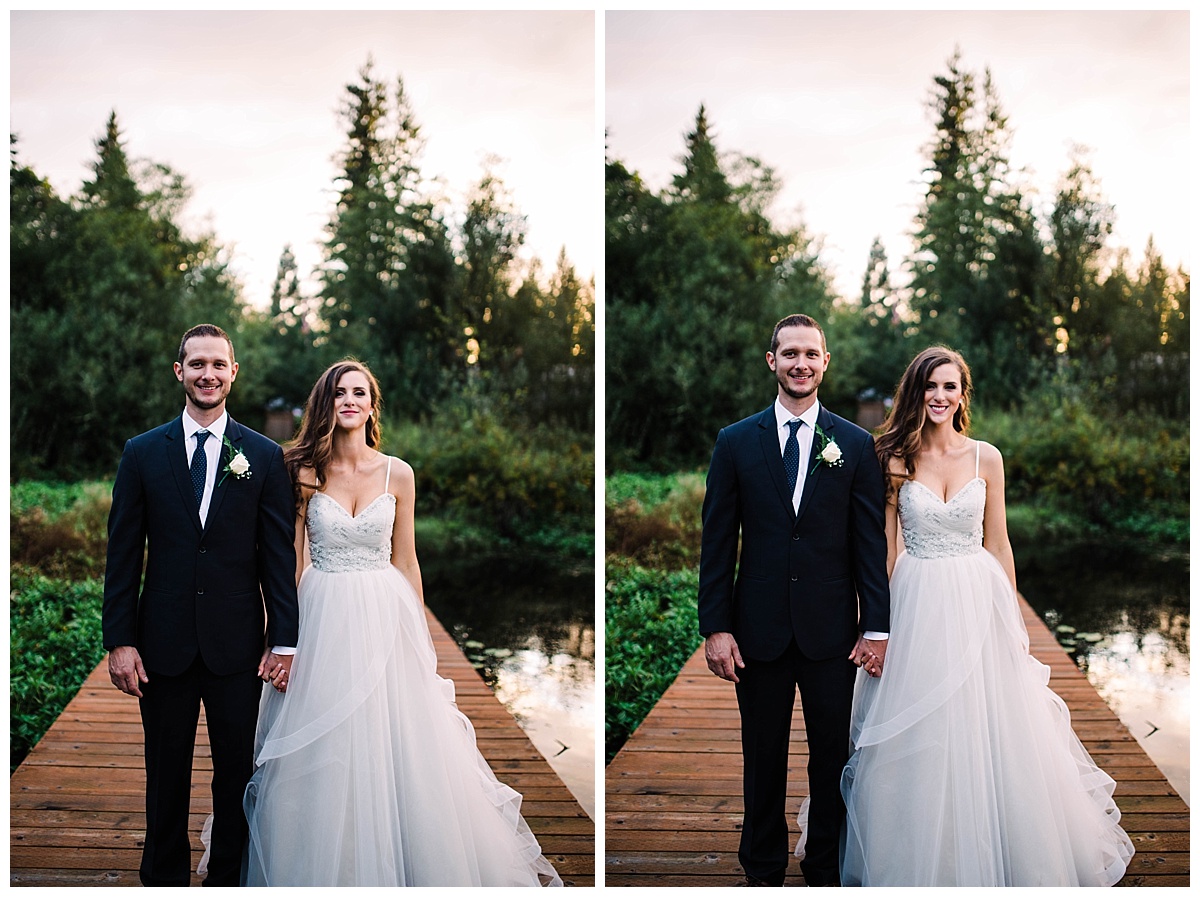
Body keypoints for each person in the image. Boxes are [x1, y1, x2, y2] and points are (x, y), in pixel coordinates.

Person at [239, 359, 562, 886]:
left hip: (384, 612)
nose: (349, 400)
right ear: (326, 402)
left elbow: (406, 560)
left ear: (372, 405)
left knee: (397, 736)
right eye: (339, 392)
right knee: (325, 735)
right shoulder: (302, 473)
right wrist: (286, 641)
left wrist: (419, 635)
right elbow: (292, 564)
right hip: (322, 611)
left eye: (359, 392)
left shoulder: (398, 472)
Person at [833, 346, 1135, 885]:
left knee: (991, 720)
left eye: (950, 387)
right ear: (914, 392)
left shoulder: (985, 458)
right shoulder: (893, 458)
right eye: (931, 386)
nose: (940, 397)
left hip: (977, 598)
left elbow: (999, 544)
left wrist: (1013, 622)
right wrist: (874, 621)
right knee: (920, 720)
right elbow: (885, 550)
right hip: (916, 598)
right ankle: (923, 849)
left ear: (962, 394)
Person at [103, 323, 299, 886]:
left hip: (237, 647)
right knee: (165, 774)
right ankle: (162, 878)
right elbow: (123, 554)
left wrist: (283, 640)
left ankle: (226, 880)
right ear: (179, 372)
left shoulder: (263, 457)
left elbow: (276, 558)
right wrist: (119, 640)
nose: (207, 374)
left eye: (218, 364)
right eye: (197, 364)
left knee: (236, 774)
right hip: (161, 644)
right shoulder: (142, 453)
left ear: (233, 372)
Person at [698, 314, 891, 887]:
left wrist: (875, 627)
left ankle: (824, 867)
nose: (800, 363)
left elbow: (868, 546)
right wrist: (716, 627)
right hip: (756, 632)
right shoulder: (735, 442)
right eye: (790, 354)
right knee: (762, 758)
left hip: (833, 632)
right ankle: (761, 869)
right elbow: (717, 541)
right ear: (772, 361)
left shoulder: (855, 446)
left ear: (825, 362)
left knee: (833, 758)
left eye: (811, 353)